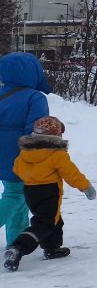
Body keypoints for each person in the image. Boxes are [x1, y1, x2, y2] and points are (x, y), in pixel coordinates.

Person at [4, 115, 95, 271]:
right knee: (44, 223)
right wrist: (86, 187)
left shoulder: (25, 153)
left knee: (54, 220)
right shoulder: (57, 154)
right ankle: (18, 248)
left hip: (30, 191)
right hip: (48, 191)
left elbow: (17, 169)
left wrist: (32, 176)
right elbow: (71, 174)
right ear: (56, 136)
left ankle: (52, 248)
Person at [0, 52, 51, 247]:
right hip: (18, 155)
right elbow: (37, 130)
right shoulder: (35, 97)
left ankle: (15, 240)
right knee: (15, 195)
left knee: (16, 194)